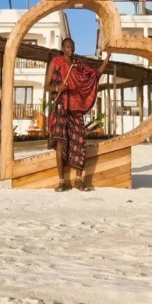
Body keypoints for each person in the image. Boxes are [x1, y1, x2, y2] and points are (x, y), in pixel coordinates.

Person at [45, 37, 110, 192]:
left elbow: (95, 75)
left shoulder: (78, 65)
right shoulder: (55, 62)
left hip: (76, 110)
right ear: (62, 48)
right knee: (61, 144)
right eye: (67, 46)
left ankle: (79, 180)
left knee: (80, 143)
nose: (70, 49)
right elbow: (47, 86)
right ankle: (61, 181)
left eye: (72, 47)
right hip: (61, 108)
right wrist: (57, 88)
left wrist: (107, 58)